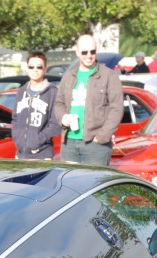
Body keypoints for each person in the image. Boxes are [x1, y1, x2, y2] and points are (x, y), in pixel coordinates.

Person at [53, 34, 123, 166]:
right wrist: (62, 117)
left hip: (96, 145)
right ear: (77, 52)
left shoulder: (109, 76)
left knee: (95, 184)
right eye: (85, 52)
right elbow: (59, 103)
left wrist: (101, 137)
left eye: (93, 51)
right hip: (69, 143)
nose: (89, 55)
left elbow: (117, 109)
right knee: (69, 184)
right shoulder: (68, 77)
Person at [11, 51, 61, 160]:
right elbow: (15, 119)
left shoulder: (52, 92)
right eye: (31, 67)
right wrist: (17, 137)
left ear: (45, 69)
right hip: (20, 154)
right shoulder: (21, 92)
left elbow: (55, 125)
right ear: (27, 68)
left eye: (39, 67)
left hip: (42, 155)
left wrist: (37, 140)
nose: (35, 70)